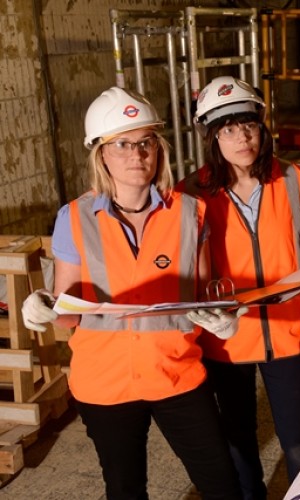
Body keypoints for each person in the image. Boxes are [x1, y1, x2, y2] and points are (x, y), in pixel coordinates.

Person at [20, 87, 243, 499]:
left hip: (177, 373)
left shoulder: (191, 213)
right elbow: (69, 310)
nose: (136, 154)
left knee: (222, 483)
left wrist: (223, 318)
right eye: (122, 144)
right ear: (101, 154)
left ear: (158, 148)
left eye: (145, 142)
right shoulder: (75, 217)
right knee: (125, 489)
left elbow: (203, 297)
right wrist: (43, 309)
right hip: (106, 384)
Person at [178, 75, 300, 499]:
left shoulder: (292, 179)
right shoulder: (191, 193)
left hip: (287, 337)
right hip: (225, 343)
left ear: (262, 129)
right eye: (227, 129)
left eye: (248, 126)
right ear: (212, 137)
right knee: (238, 439)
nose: (241, 138)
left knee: (299, 440)